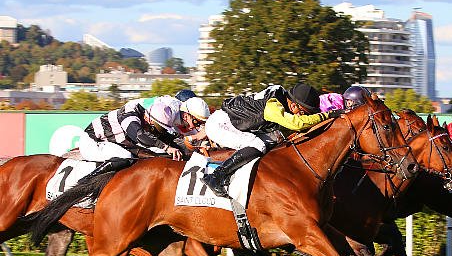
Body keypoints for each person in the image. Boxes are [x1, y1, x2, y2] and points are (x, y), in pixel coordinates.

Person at [190, 83, 344, 197]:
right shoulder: (273, 105)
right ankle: (216, 177)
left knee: (277, 139)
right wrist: (328, 115)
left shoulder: (281, 98)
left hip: (234, 123)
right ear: (294, 106)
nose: (304, 117)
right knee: (257, 145)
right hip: (220, 124)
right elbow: (296, 123)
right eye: (304, 113)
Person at [78, 96, 208, 177]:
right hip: (93, 141)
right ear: (149, 120)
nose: (159, 131)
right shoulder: (130, 114)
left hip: (113, 143)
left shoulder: (154, 117)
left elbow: (167, 139)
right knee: (126, 157)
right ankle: (87, 181)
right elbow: (139, 136)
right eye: (159, 128)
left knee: (154, 157)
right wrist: (167, 147)